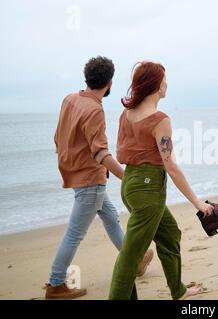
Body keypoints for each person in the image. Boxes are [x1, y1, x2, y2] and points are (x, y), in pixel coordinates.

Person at [46, 56, 153, 299]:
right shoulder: (94, 109)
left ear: (87, 78)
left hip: (79, 176)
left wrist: (69, 160)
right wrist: (127, 178)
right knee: (75, 233)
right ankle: (55, 284)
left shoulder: (70, 99)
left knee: (110, 217)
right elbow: (101, 152)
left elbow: (57, 137)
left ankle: (136, 261)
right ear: (110, 82)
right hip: (90, 181)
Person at [108, 61, 214, 300]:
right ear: (155, 84)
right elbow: (171, 166)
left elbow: (123, 152)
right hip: (148, 189)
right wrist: (197, 202)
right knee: (130, 256)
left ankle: (179, 290)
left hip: (130, 185)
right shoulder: (159, 119)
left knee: (170, 234)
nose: (167, 84)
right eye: (164, 79)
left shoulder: (126, 115)